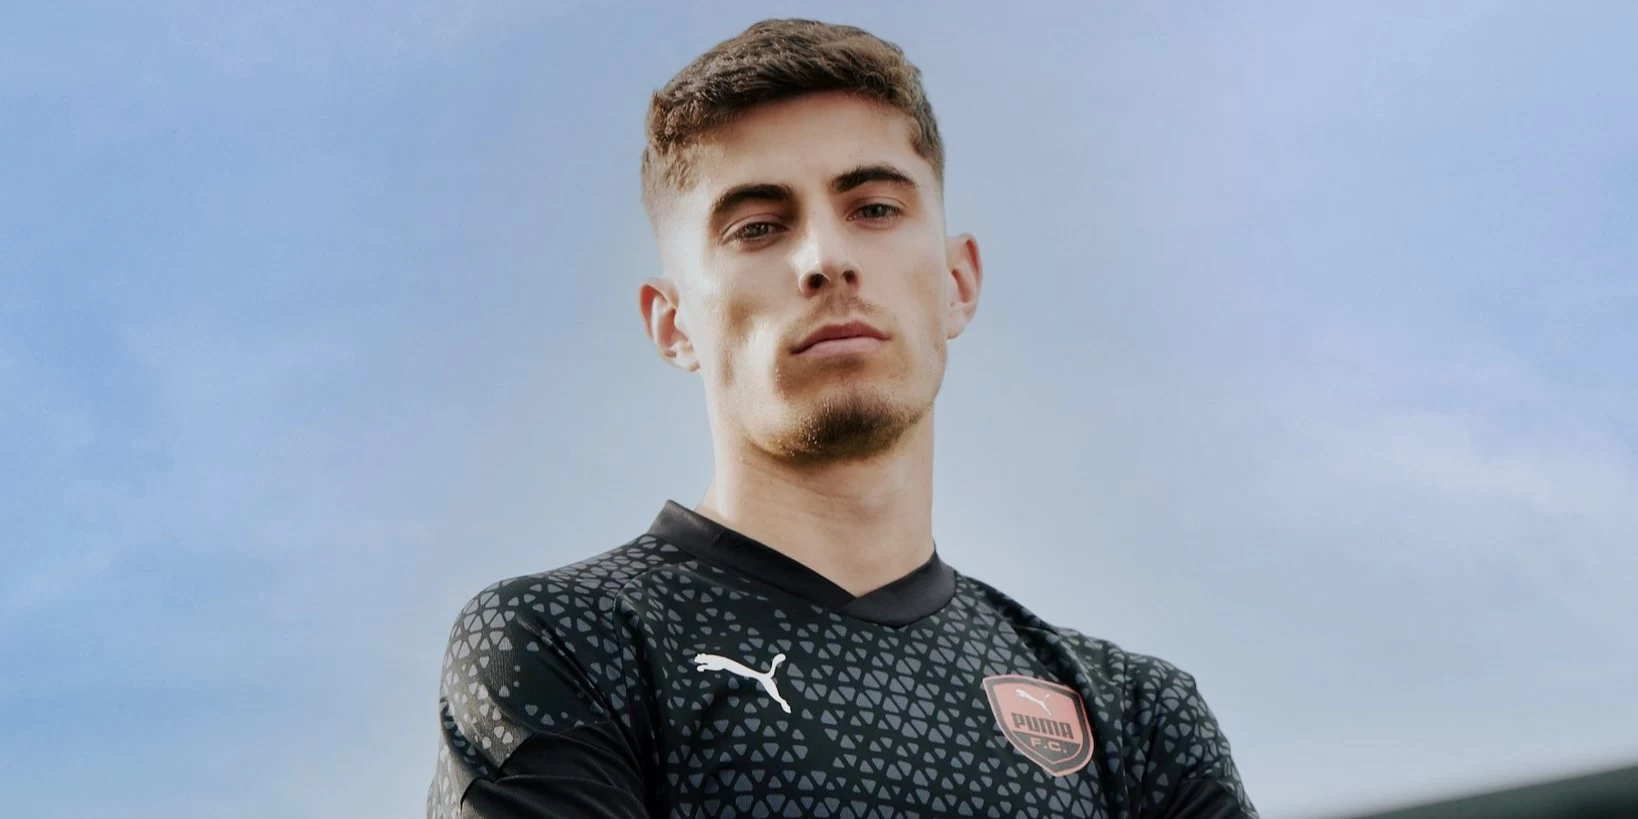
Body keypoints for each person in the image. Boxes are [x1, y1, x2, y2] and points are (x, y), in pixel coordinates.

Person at [426, 18, 1258, 819]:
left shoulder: (1138, 717)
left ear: (958, 283)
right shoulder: (568, 644)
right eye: (758, 227)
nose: (826, 258)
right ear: (673, 322)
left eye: (875, 208)